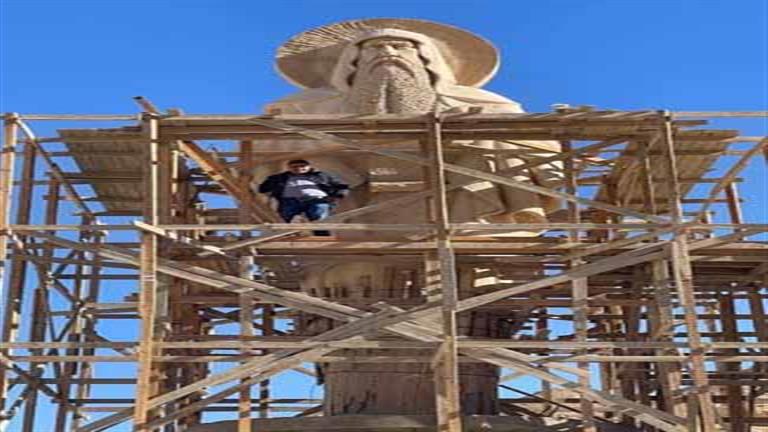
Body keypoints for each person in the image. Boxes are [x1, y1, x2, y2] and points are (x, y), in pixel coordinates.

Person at [258, 159, 349, 236]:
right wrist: (271, 182)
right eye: (295, 167)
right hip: (290, 200)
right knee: (288, 215)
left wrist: (338, 195)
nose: (299, 168)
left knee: (319, 216)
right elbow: (263, 189)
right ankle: (292, 232)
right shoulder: (279, 177)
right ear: (289, 168)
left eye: (302, 166)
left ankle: (322, 236)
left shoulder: (321, 175)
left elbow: (342, 185)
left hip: (317, 199)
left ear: (309, 166)